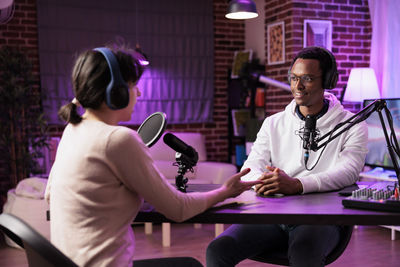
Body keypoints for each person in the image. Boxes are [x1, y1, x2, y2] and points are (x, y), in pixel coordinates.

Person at [44, 44, 263, 267]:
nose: (138, 93)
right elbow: (179, 209)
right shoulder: (119, 139)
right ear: (116, 92)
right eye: (133, 85)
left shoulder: (72, 129)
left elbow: (51, 193)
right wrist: (225, 191)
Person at [206, 46, 368, 267]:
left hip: (321, 219)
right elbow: (252, 165)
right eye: (294, 78)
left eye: (307, 79)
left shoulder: (353, 124)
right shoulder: (273, 123)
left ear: (328, 80)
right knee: (218, 249)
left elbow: (349, 171)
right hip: (272, 215)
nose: (297, 86)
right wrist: (261, 181)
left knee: (304, 253)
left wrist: (297, 185)